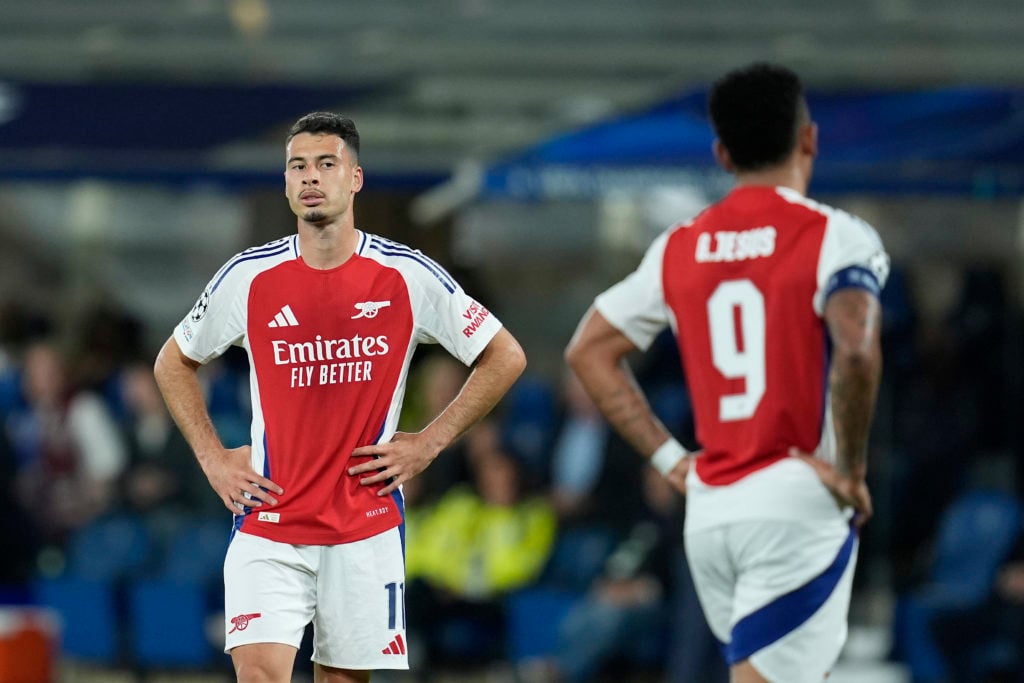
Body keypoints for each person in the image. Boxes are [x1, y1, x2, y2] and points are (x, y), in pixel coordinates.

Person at [153, 112, 526, 683]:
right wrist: (211, 455)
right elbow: (173, 360)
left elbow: (505, 355)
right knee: (258, 675)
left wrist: (429, 443)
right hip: (269, 521)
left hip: (365, 526)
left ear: (354, 178)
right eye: (297, 166)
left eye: (326, 164)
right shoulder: (248, 277)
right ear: (284, 183)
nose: (310, 177)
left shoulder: (405, 275)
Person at [564, 62, 888, 683]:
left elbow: (588, 351)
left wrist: (669, 460)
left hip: (712, 507)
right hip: (794, 497)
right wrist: (849, 468)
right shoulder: (836, 236)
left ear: (721, 153)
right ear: (809, 139)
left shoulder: (680, 245)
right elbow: (854, 348)